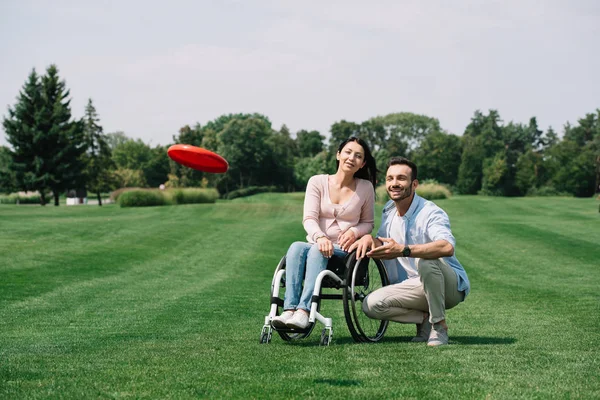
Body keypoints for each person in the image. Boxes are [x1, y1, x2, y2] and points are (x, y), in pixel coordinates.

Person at [349, 157, 470, 346]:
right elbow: (383, 242)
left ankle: (439, 326)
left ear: (414, 184)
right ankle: (424, 320)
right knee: (370, 306)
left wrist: (403, 250)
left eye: (401, 178)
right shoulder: (389, 210)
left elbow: (447, 246)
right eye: (390, 179)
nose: (394, 184)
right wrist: (368, 238)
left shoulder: (431, 212)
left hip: (448, 287)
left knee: (426, 261)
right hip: (413, 286)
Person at [271, 137, 378, 330]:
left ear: (362, 163)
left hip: (345, 251)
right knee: (296, 247)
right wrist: (320, 237)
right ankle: (289, 310)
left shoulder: (365, 188)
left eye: (358, 156)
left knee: (316, 251)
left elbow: (368, 223)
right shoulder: (317, 182)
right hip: (317, 244)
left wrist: (354, 231)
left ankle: (303, 312)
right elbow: (309, 218)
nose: (351, 158)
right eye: (347, 152)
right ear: (338, 154)